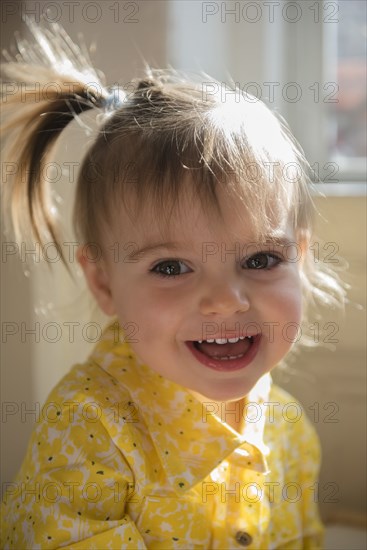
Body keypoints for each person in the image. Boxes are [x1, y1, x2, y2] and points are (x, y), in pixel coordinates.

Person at [1, 20, 345, 549]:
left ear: (300, 257)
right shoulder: (90, 428)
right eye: (170, 267)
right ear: (104, 283)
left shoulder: (287, 426)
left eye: (260, 257)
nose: (227, 300)